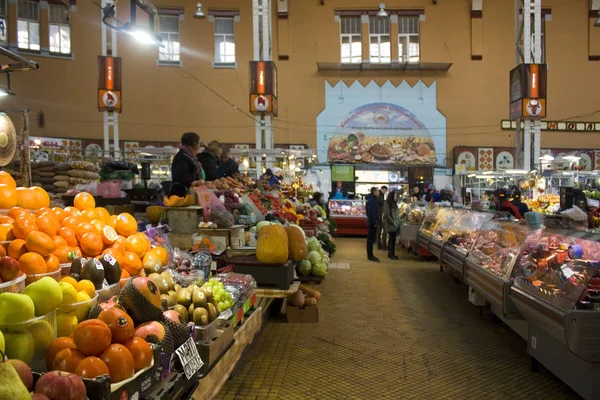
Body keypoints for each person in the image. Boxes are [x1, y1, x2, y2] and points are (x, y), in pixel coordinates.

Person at [171, 132, 204, 197]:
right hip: (181, 195)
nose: (199, 146)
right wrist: (196, 182)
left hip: (187, 193)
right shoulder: (183, 157)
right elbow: (181, 176)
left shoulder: (188, 156)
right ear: (195, 144)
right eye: (199, 144)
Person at [383, 190, 400, 260]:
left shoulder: (394, 204)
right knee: (392, 239)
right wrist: (393, 222)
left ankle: (391, 254)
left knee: (392, 239)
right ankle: (391, 254)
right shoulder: (388, 204)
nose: (396, 197)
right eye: (395, 196)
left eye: (396, 196)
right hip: (391, 224)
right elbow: (387, 215)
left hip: (394, 224)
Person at [366, 186, 380, 262]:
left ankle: (370, 255)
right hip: (372, 223)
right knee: (371, 240)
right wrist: (375, 222)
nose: (378, 193)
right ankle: (370, 255)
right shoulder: (372, 201)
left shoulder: (371, 200)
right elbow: (372, 213)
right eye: (378, 191)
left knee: (370, 239)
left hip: (371, 222)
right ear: (374, 192)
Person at [376, 186, 388, 250]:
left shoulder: (379, 195)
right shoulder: (381, 195)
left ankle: (378, 244)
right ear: (383, 190)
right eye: (385, 191)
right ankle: (383, 245)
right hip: (381, 215)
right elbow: (381, 203)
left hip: (378, 215)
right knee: (385, 230)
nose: (385, 192)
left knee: (379, 230)